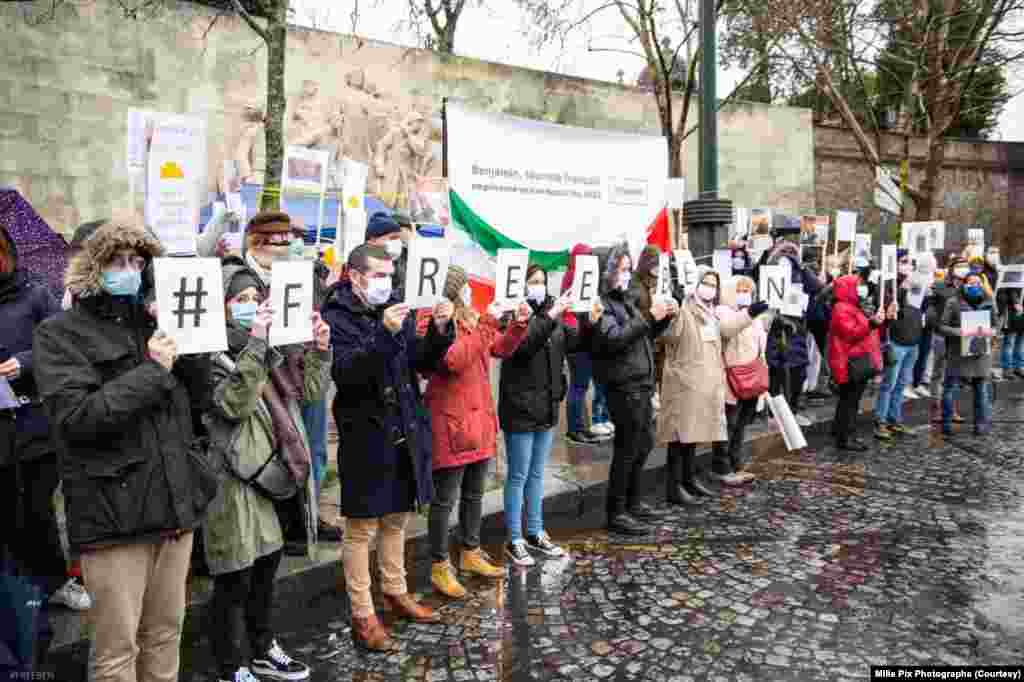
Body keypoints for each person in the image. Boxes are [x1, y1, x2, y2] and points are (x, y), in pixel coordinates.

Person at [34, 218, 218, 682]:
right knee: (117, 651)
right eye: (117, 261)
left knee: (165, 634)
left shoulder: (152, 324)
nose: (129, 270)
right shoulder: (59, 335)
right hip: (114, 518)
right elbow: (78, 419)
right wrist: (154, 370)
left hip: (174, 510)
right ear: (92, 267)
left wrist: (192, 349)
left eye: (138, 261)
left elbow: (197, 403)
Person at [202, 262, 332, 682]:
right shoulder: (209, 352)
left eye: (257, 299)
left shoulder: (270, 348)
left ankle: (262, 649)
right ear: (221, 307)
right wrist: (256, 344)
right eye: (241, 300)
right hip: (233, 478)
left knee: (265, 569)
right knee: (234, 577)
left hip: (272, 476)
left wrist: (318, 350)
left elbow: (310, 393)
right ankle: (229, 666)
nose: (252, 307)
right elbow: (232, 405)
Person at [322, 243, 454, 652]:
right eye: (379, 274)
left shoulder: (397, 305)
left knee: (397, 516)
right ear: (356, 275)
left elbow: (420, 362)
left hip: (403, 427)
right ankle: (363, 613)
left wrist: (438, 330)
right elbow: (348, 373)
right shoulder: (337, 313)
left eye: (390, 274)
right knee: (361, 526)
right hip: (365, 430)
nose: (386, 282)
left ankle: (395, 592)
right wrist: (385, 333)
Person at [422, 266, 529, 596]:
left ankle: (470, 551)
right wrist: (485, 325)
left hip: (478, 423)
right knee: (444, 500)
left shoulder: (472, 318)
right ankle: (440, 565)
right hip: (452, 424)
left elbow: (499, 347)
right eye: (467, 286)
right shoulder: (433, 322)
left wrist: (518, 325)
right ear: (454, 290)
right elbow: (453, 360)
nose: (471, 291)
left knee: (473, 493)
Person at [0, 220, 73, 669]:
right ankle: (16, 592)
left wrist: (22, 363)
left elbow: (57, 342)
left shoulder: (35, 292)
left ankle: (50, 583)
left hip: (33, 424)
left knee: (38, 510)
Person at [498, 265, 600, 566]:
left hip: (546, 405)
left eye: (542, 281)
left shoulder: (552, 315)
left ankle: (535, 531)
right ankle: (514, 538)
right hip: (519, 406)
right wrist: (552, 314)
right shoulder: (511, 314)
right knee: (518, 474)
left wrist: (589, 323)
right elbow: (525, 344)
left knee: (536, 474)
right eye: (533, 281)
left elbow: (576, 341)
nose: (539, 286)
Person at [659, 268, 767, 504]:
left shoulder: (710, 312)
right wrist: (672, 312)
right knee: (678, 438)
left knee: (692, 436)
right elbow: (670, 336)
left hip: (702, 384)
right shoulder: (684, 308)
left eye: (713, 284)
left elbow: (726, 329)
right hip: (684, 383)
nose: (709, 288)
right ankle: (674, 486)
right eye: (705, 282)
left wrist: (750, 313)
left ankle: (689, 480)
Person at [591, 243, 677, 535]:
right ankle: (616, 511)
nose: (627, 275)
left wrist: (663, 318)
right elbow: (614, 338)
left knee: (643, 444)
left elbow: (642, 334)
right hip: (622, 384)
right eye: (622, 269)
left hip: (640, 381)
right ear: (608, 272)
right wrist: (649, 316)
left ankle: (633, 501)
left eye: (629, 269)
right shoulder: (600, 303)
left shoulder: (624, 300)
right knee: (627, 449)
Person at [759, 241, 822, 427]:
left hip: (796, 329)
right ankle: (774, 415)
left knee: (797, 373)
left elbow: (817, 286)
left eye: (791, 252)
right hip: (774, 328)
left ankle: (792, 412)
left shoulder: (800, 272)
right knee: (776, 374)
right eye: (783, 252)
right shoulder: (768, 268)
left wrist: (802, 267)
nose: (787, 256)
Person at [717, 275, 770, 483]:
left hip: (751, 377)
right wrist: (748, 314)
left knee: (741, 424)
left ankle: (736, 461)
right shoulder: (723, 312)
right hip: (732, 378)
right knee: (729, 423)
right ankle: (722, 466)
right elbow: (729, 329)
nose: (745, 294)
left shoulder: (755, 316)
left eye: (748, 290)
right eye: (740, 289)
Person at [561, 244, 612, 444]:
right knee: (579, 385)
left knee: (579, 385)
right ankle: (576, 428)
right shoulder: (579, 276)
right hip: (578, 335)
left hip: (576, 333)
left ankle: (579, 427)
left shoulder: (571, 275)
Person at [827, 274, 884, 452]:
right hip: (850, 360)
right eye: (857, 285)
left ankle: (840, 430)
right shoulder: (842, 308)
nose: (861, 288)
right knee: (850, 400)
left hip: (853, 359)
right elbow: (850, 333)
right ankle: (846, 437)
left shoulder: (850, 306)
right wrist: (871, 324)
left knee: (848, 399)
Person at [939, 271, 997, 435]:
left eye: (978, 283)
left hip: (980, 353)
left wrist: (991, 331)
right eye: (970, 283)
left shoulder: (988, 301)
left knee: (981, 389)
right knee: (950, 388)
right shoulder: (953, 302)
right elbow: (942, 326)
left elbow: (996, 324)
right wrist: (960, 332)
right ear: (963, 284)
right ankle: (946, 423)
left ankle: (981, 424)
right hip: (958, 352)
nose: (974, 286)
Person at [873, 251, 920, 441]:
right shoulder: (886, 284)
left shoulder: (918, 283)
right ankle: (881, 421)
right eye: (903, 262)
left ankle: (895, 418)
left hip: (913, 340)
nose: (908, 265)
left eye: (910, 262)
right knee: (889, 384)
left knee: (901, 384)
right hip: (896, 340)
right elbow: (885, 306)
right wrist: (902, 287)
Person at [927, 257, 970, 423]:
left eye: (965, 266)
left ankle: (951, 409)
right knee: (938, 374)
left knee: (954, 375)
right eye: (959, 266)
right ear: (951, 269)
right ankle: (936, 409)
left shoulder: (969, 286)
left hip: (961, 336)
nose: (962, 269)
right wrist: (938, 328)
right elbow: (930, 312)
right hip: (941, 335)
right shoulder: (939, 286)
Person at [997, 256, 1024, 379]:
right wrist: (1015, 302)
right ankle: (1007, 368)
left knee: (1021, 342)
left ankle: (1019, 367)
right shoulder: (1011, 274)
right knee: (1010, 342)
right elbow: (1006, 291)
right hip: (1012, 313)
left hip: (1021, 313)